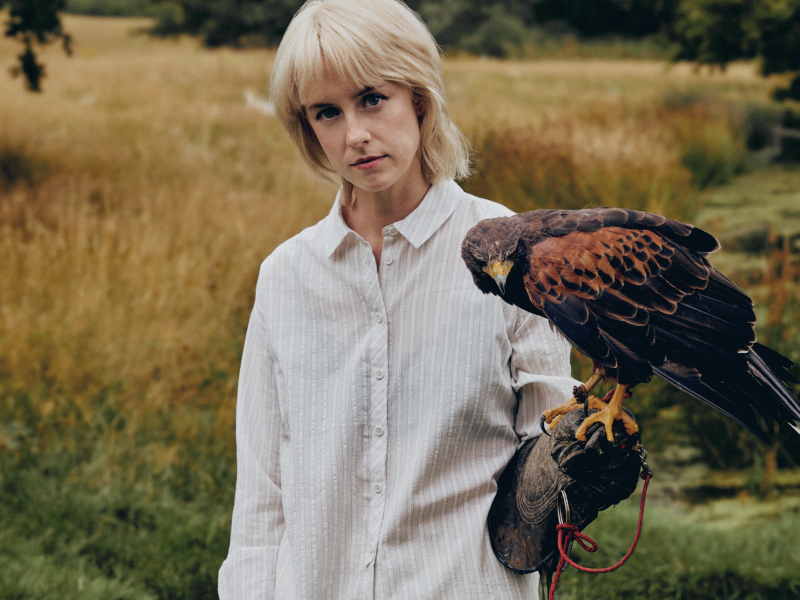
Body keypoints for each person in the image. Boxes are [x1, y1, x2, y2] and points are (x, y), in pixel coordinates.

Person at [218, 0, 577, 598]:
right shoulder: (285, 276)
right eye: (327, 112)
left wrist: (577, 456)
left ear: (419, 97)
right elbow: (261, 498)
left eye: (372, 98)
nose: (354, 134)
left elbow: (549, 463)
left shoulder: (513, 255)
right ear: (307, 128)